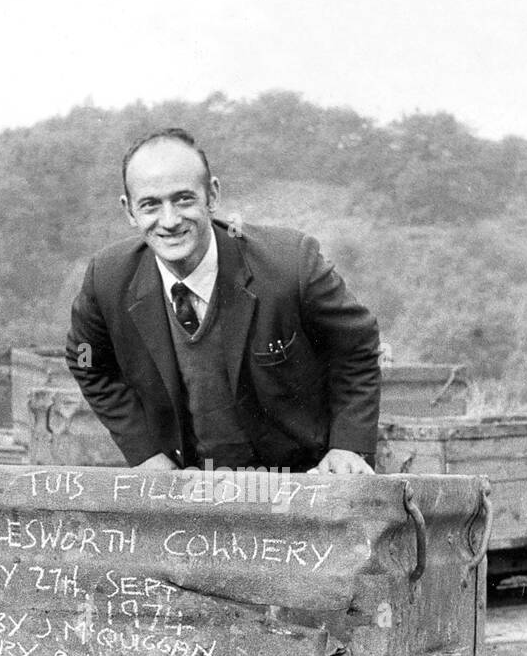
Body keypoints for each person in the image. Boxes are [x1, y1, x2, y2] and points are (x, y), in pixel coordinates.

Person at [66, 128, 381, 474]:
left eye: (184, 199)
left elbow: (356, 345)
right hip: (192, 493)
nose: (169, 221)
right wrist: (146, 453)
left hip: (297, 483)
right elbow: (86, 361)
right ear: (129, 211)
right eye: (150, 205)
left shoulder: (291, 265)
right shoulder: (107, 278)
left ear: (212, 195)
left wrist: (348, 447)